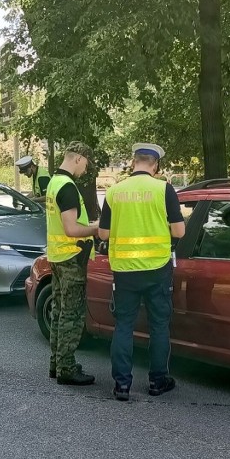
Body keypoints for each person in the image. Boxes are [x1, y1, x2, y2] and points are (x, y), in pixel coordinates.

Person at [98, 142, 186, 401]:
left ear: (132, 162)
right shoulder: (163, 189)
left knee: (123, 324)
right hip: (157, 269)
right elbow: (179, 231)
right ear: (155, 166)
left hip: (124, 271)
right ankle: (158, 381)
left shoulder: (114, 191)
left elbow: (103, 233)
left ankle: (121, 386)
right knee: (159, 325)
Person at [46, 141, 98, 385]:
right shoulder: (67, 187)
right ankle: (66, 368)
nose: (86, 170)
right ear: (78, 158)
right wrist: (96, 228)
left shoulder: (53, 182)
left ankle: (56, 363)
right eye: (86, 164)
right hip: (71, 258)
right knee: (72, 314)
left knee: (58, 311)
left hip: (57, 257)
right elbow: (71, 228)